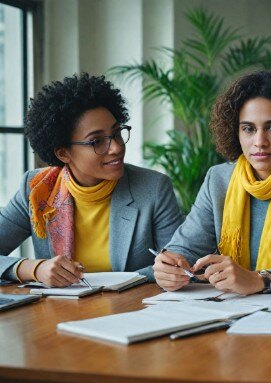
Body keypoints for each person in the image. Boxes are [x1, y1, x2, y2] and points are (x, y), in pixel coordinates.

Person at [153, 71, 271, 295]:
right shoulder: (218, 179)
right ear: (236, 132)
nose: (260, 142)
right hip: (224, 309)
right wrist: (169, 267)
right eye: (248, 129)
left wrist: (260, 280)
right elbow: (184, 248)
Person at [0, 73, 183, 286]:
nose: (116, 147)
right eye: (96, 141)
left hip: (131, 309)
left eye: (116, 133)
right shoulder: (36, 189)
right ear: (63, 154)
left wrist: (167, 271)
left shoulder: (153, 188)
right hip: (57, 311)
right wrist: (33, 268)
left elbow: (176, 264)